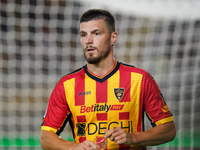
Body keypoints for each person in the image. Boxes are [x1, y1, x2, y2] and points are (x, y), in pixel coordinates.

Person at [40, 9, 176, 150]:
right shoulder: (67, 85)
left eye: (96, 33)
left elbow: (168, 130)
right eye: (83, 35)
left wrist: (133, 137)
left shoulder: (139, 79)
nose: (88, 41)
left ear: (113, 37)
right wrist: (74, 147)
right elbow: (46, 138)